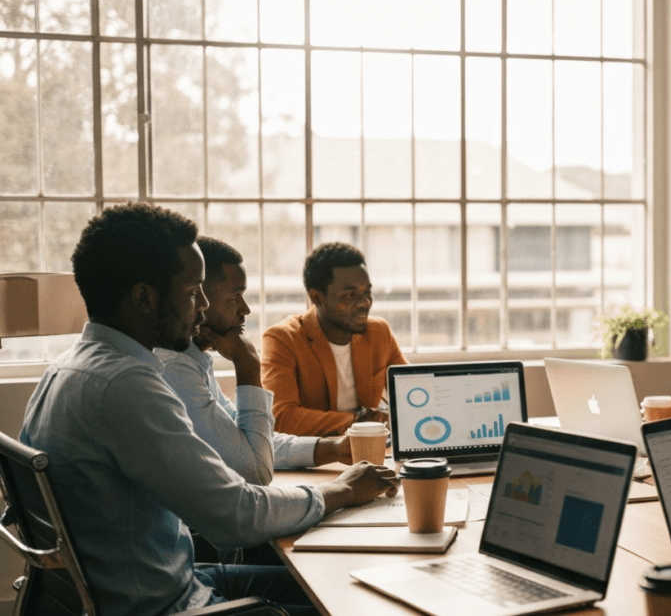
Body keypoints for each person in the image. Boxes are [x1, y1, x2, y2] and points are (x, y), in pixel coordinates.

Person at [20, 203, 399, 616]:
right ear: (145, 297)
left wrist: (329, 457)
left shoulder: (69, 366)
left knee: (344, 582)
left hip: (177, 578)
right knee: (366, 606)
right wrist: (340, 490)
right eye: (192, 291)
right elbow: (236, 517)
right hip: (175, 606)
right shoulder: (128, 386)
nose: (202, 306)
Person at [158, 236, 353, 488]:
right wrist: (247, 365)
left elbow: (250, 442)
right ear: (199, 299)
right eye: (234, 297)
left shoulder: (194, 360)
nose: (245, 309)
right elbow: (255, 470)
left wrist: (333, 448)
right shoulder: (174, 370)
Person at [261, 242, 407, 436]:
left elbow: (412, 389)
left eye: (367, 292)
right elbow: (282, 418)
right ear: (317, 298)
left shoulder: (379, 332)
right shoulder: (282, 339)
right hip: (315, 457)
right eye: (350, 295)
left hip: (370, 449)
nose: (364, 303)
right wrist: (360, 422)